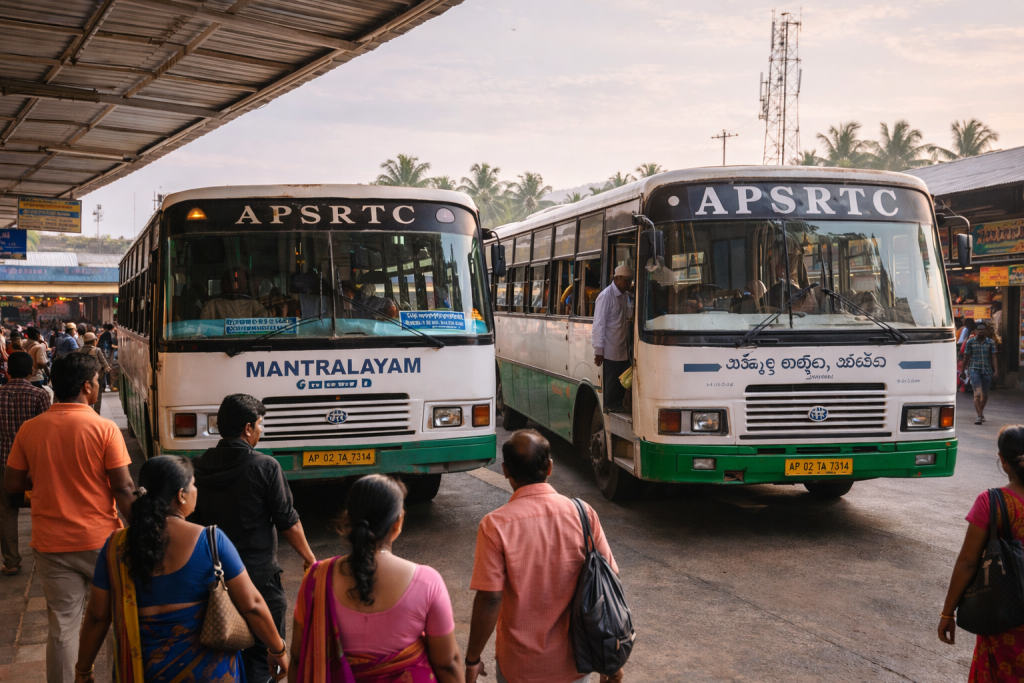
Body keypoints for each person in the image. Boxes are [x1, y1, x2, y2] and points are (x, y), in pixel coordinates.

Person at [74, 456, 289, 683]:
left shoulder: (116, 546)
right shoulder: (211, 541)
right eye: (193, 484)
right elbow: (253, 605)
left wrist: (83, 670)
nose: (196, 489)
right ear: (181, 494)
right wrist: (278, 650)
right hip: (208, 675)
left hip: (143, 674)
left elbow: (98, 617)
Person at [4, 353, 135, 683]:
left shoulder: (31, 429)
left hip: (51, 543)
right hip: (101, 542)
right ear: (86, 387)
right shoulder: (104, 428)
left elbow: (12, 484)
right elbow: (123, 486)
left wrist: (46, 477)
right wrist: (141, 528)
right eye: (95, 382)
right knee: (115, 618)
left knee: (62, 625)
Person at [465, 430, 623, 683]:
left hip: (519, 666)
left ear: (505, 470)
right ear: (549, 467)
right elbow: (608, 585)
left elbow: (490, 599)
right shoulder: (583, 514)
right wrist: (611, 660)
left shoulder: (494, 525)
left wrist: (472, 659)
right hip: (576, 663)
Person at [191, 394, 316, 683]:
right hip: (258, 581)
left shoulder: (196, 467)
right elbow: (288, 521)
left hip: (210, 583)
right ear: (248, 428)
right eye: (260, 424)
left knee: (219, 658)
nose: (262, 430)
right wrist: (310, 559)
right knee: (263, 659)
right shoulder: (265, 467)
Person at [288, 474, 462, 683]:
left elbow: (298, 658)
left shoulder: (316, 579)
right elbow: (447, 664)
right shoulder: (427, 582)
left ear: (349, 519)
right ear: (398, 523)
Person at [939, 425, 1024, 679]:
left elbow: (968, 562)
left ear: (1003, 461)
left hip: (1006, 616)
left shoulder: (993, 502)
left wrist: (947, 613)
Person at [0, 352, 51, 576]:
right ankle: (47, 555)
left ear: (8, 370)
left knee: (6, 512)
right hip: (34, 466)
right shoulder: (39, 395)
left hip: (3, 464)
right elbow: (46, 432)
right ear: (31, 370)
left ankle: (11, 561)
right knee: (43, 508)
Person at [591, 265, 634, 413]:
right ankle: (610, 407)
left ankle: (619, 405)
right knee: (612, 381)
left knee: (622, 381)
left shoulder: (625, 295)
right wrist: (599, 350)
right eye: (627, 281)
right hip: (610, 348)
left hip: (623, 346)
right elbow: (599, 325)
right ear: (617, 279)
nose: (629, 284)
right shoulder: (605, 296)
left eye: (630, 281)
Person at [963, 321, 999, 425]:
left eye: (983, 331)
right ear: (975, 331)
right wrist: (963, 370)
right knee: (977, 393)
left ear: (986, 331)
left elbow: (993, 357)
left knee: (985, 394)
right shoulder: (970, 342)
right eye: (979, 330)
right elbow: (966, 356)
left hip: (987, 371)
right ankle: (979, 415)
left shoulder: (991, 342)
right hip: (974, 370)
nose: (981, 332)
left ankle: (980, 411)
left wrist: (996, 370)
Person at [201, 268, 270, 320]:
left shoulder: (253, 304)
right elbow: (202, 327)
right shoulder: (212, 304)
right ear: (223, 284)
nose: (234, 285)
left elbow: (264, 323)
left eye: (237, 281)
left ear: (246, 284)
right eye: (229, 281)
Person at [74, 333, 111, 415]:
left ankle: (85, 412)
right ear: (94, 341)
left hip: (82, 378)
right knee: (98, 395)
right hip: (96, 378)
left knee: (82, 394)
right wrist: (104, 370)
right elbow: (105, 364)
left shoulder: (77, 351)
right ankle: (96, 414)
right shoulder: (97, 350)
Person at [97, 324, 115, 390]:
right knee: (107, 368)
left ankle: (104, 385)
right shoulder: (110, 333)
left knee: (104, 369)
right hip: (108, 352)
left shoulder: (103, 334)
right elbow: (113, 342)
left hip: (103, 351)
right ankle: (109, 384)